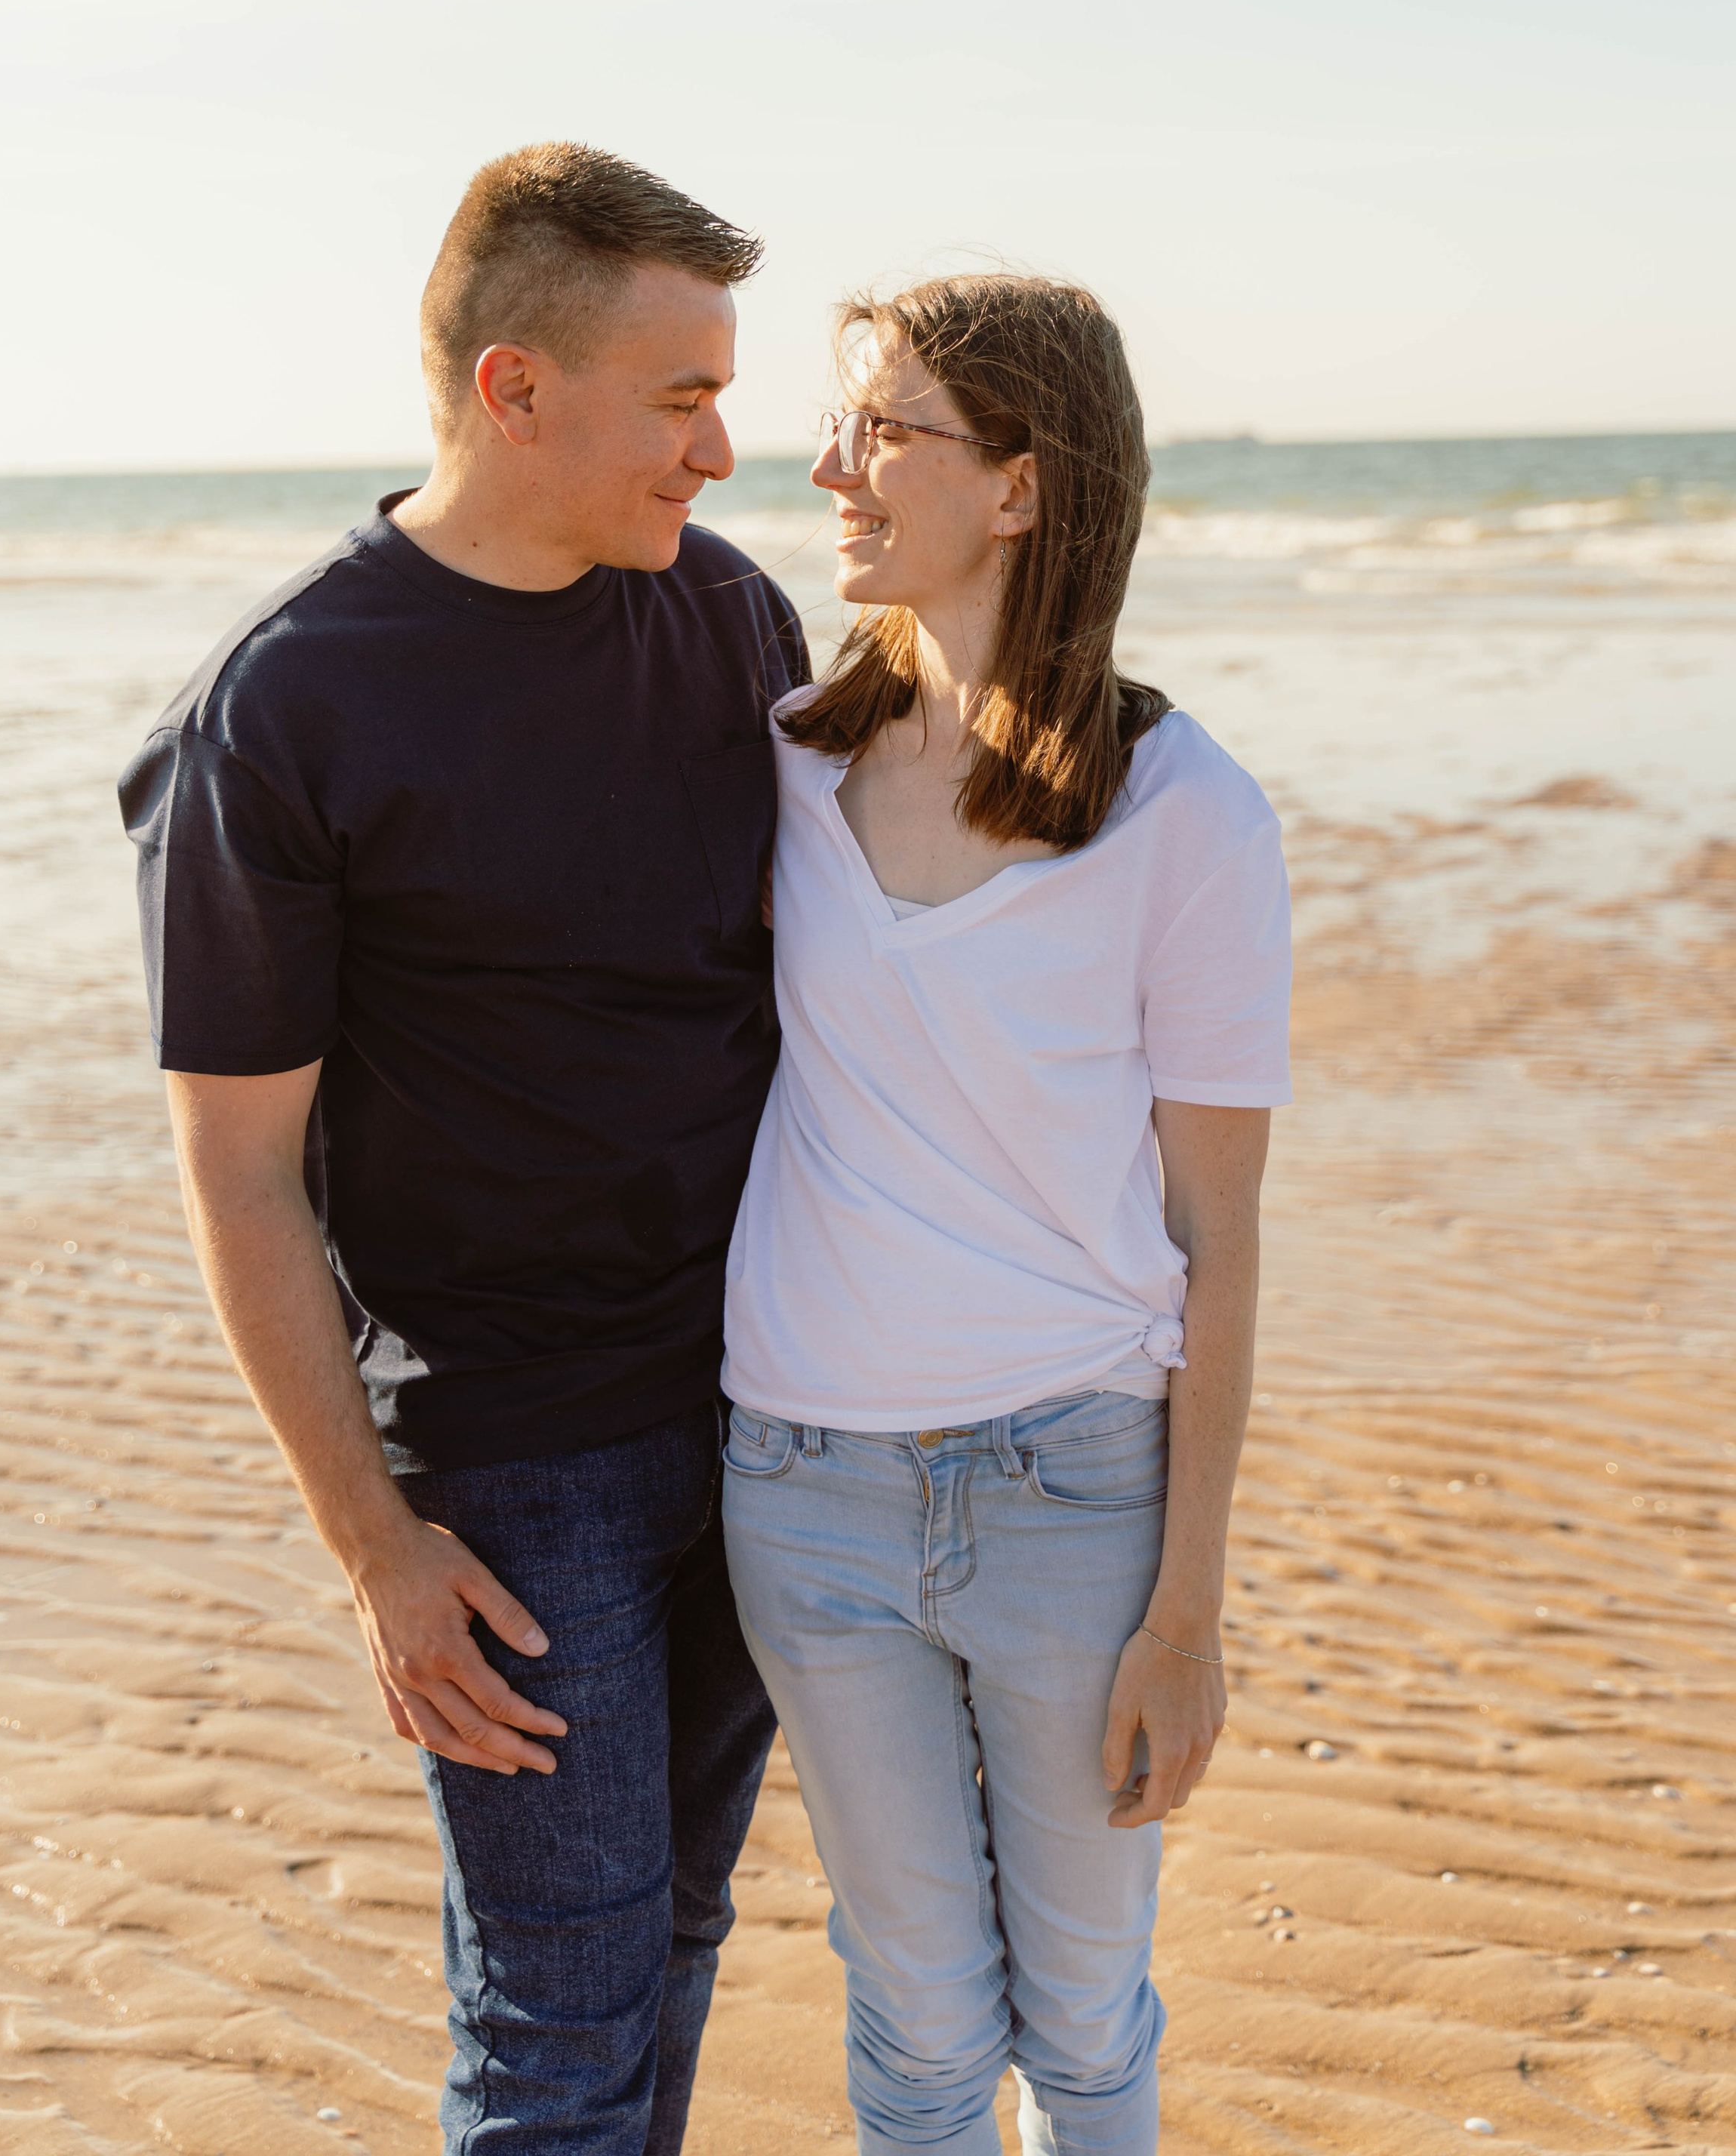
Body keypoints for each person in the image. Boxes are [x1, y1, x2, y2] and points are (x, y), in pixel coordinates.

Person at [119, 143, 809, 2156]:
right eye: (683, 398)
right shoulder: (289, 709)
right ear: (517, 390)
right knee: (558, 2023)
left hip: (768, 1409)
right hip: (522, 1474)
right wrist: (375, 1551)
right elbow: (238, 1174)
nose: (724, 450)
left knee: (675, 1933)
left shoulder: (729, 620)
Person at [720, 274, 1291, 2156]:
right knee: (910, 2017)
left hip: (1072, 1489)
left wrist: (1187, 1612)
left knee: (1082, 2010)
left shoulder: (1179, 811)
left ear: (1023, 489)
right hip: (802, 1486)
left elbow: (1218, 1232)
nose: (828, 469)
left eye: (884, 430)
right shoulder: (784, 759)